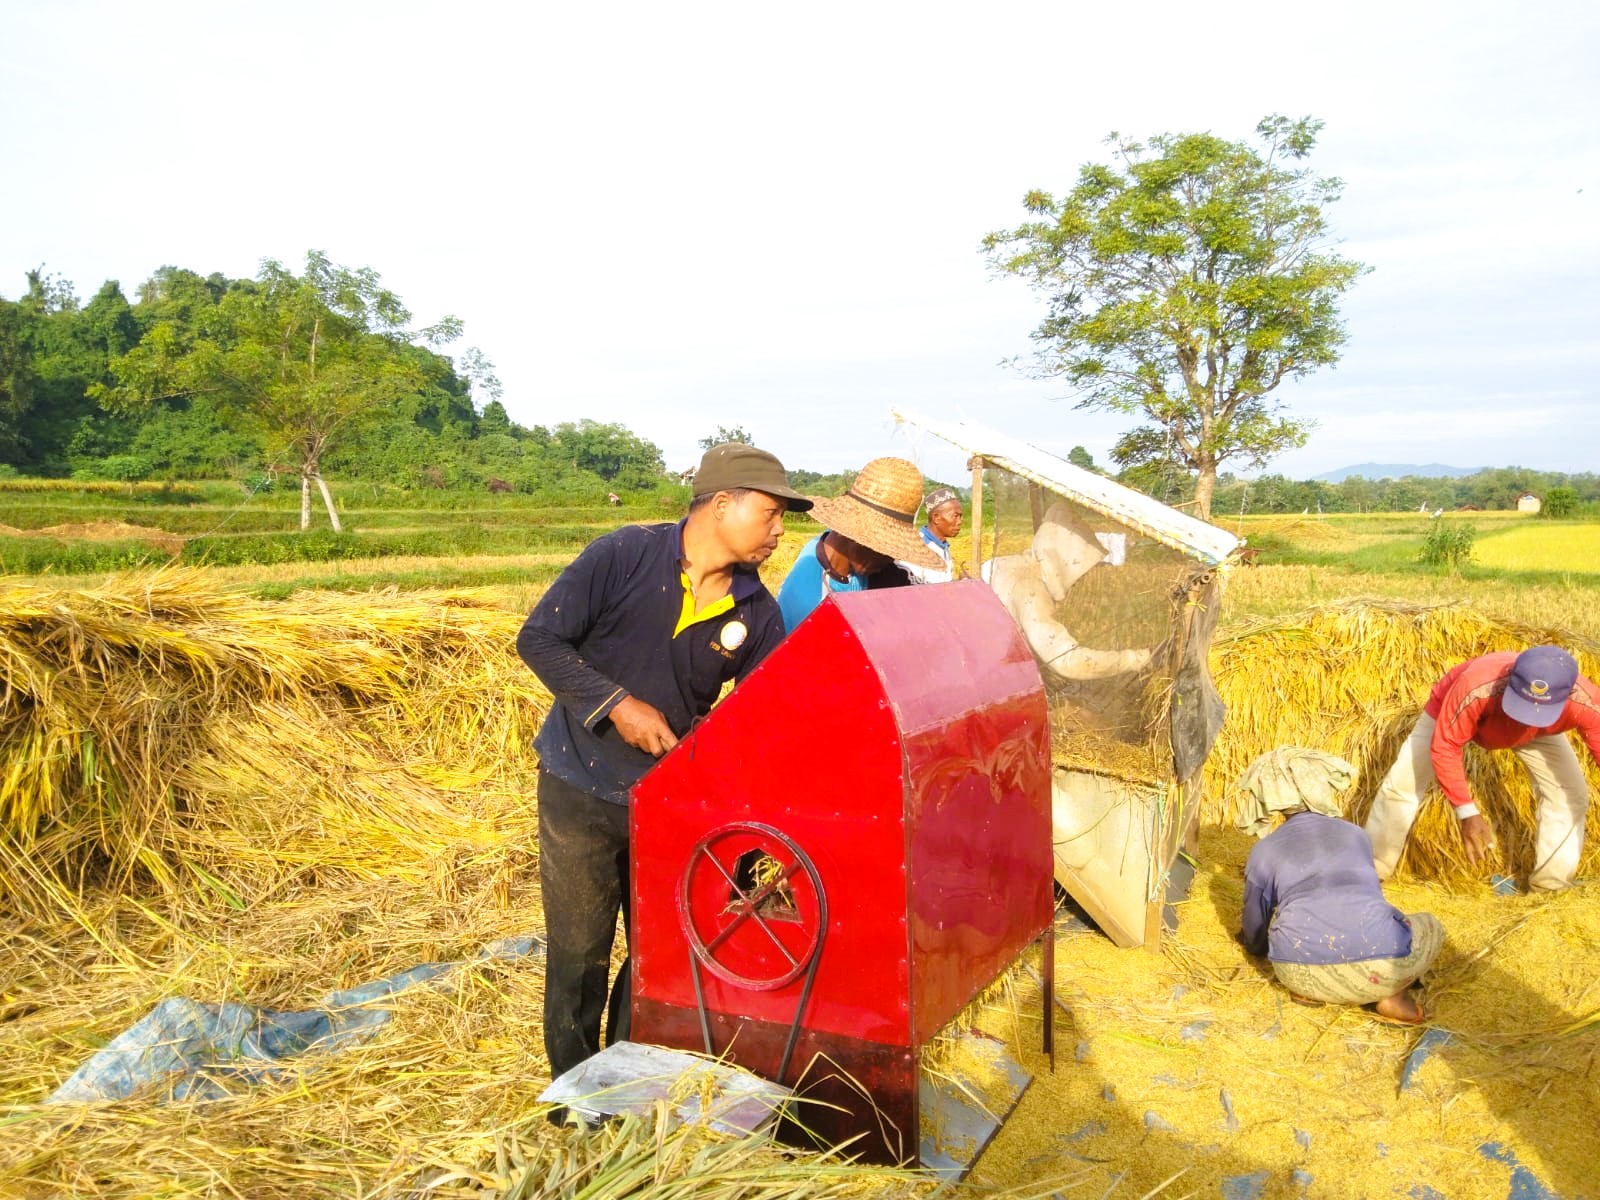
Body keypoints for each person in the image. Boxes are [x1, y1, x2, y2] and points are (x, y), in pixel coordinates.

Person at [516, 442, 811, 1080]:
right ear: (722, 504)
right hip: (578, 784)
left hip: (669, 804)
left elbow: (757, 719)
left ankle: (623, 1076)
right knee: (579, 950)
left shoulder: (757, 612)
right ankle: (575, 1089)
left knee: (655, 952)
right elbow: (539, 638)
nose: (780, 531)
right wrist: (617, 704)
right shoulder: (624, 555)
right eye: (770, 513)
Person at [1364, 645, 1600, 891]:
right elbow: (1445, 746)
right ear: (1510, 680)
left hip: (1539, 730)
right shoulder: (1476, 686)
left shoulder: (1587, 702)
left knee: (1569, 793)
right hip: (1467, 711)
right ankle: (1372, 869)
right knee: (1403, 783)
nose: (1525, 717)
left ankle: (1551, 885)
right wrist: (1467, 812)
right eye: (1524, 705)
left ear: (1568, 695)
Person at [1236, 748, 1442, 1025]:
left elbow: (1255, 925)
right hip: (1385, 967)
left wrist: (1255, 947)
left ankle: (1308, 993)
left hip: (1299, 971)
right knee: (1431, 925)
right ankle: (1394, 995)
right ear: (1322, 787)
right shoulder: (1356, 835)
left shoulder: (1264, 850)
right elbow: (1370, 898)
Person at [775, 456, 942, 633]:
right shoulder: (811, 600)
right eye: (885, 547)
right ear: (854, 535)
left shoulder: (869, 567)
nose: (891, 558)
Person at [900, 487, 962, 584]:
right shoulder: (917, 547)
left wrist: (960, 583)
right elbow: (911, 587)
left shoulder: (943, 547)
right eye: (955, 516)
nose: (959, 522)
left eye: (960, 516)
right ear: (936, 518)